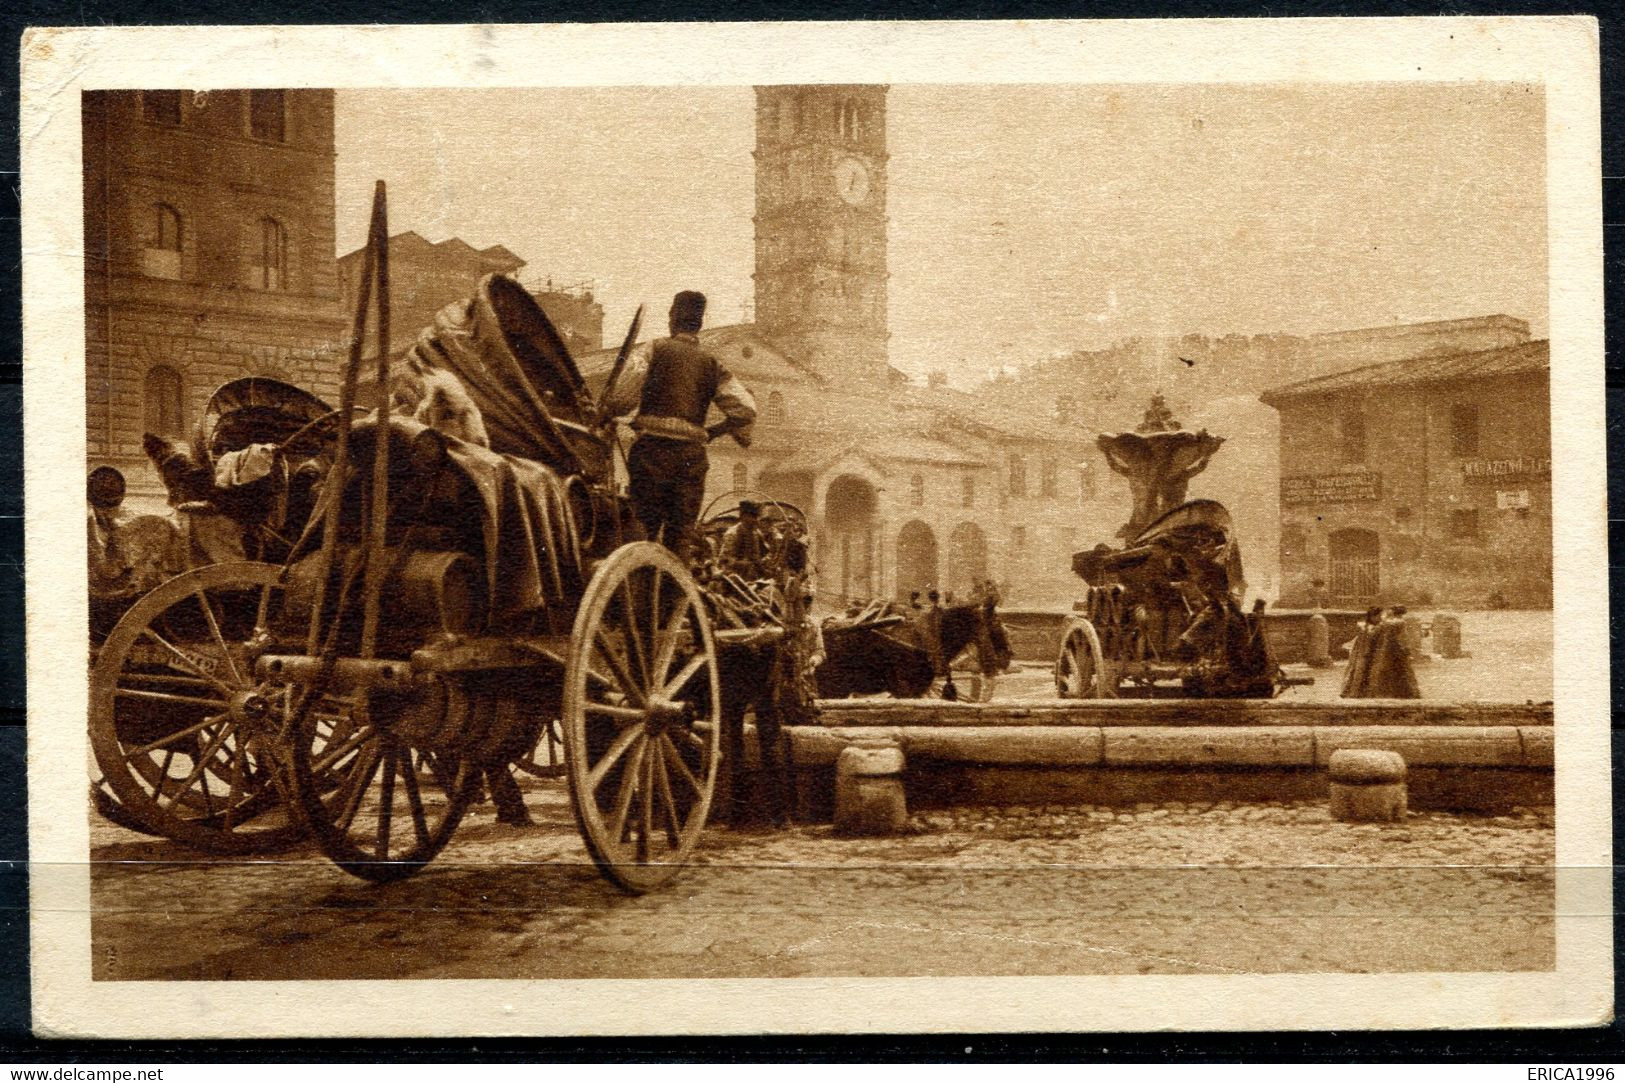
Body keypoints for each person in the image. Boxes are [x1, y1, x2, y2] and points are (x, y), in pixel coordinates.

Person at [620, 291, 756, 558]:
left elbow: (621, 396)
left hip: (652, 453)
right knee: (680, 538)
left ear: (672, 318)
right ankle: (675, 596)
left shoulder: (653, 349)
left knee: (642, 531)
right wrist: (712, 432)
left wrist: (617, 415)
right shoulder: (712, 364)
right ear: (700, 323)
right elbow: (746, 409)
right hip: (690, 459)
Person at [719, 500, 769, 579]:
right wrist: (744, 564)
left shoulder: (755, 533)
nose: (755, 520)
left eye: (756, 517)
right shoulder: (732, 534)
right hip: (734, 575)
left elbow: (759, 554)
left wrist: (763, 566)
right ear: (743, 516)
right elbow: (725, 560)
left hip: (752, 574)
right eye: (752, 516)